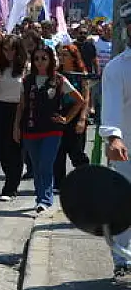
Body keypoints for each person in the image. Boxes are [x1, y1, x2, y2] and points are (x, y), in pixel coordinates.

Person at [14, 46, 84, 214]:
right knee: (36, 165)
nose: (40, 62)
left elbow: (79, 100)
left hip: (52, 129)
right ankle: (40, 197)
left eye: (43, 58)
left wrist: (66, 119)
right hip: (30, 128)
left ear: (51, 60)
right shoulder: (27, 80)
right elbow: (22, 105)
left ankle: (45, 199)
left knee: (46, 164)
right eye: (36, 58)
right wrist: (16, 127)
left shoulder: (59, 80)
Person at [99, 1, 131, 279]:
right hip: (127, 150)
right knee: (124, 205)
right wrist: (113, 137)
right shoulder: (117, 69)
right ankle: (122, 260)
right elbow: (109, 107)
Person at [0, 35, 28, 193]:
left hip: (18, 109)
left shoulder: (26, 68)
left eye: (12, 49)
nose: (8, 53)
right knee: (0, 148)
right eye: (5, 49)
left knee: (15, 148)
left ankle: (11, 187)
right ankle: (9, 176)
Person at [54, 44, 91, 191]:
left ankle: (85, 178)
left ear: (73, 57)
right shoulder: (57, 74)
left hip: (76, 116)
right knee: (58, 151)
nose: (62, 58)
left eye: (65, 55)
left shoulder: (81, 74)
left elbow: (86, 99)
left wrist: (82, 119)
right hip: (60, 114)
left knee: (76, 151)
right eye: (60, 55)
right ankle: (58, 183)